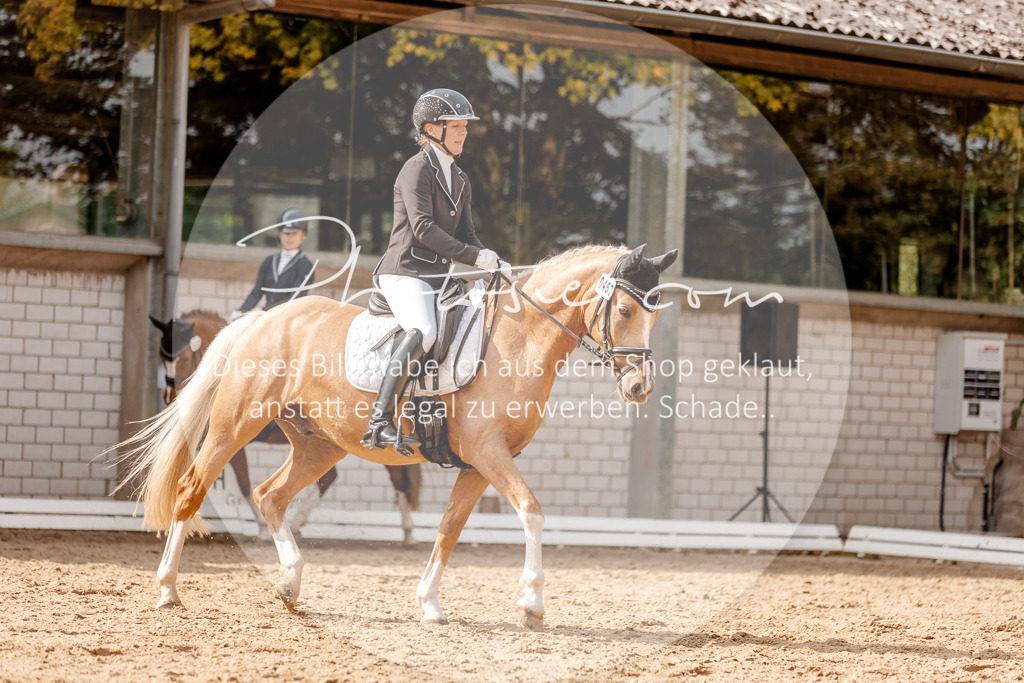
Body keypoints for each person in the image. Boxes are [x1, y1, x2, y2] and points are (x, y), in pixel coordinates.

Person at [362, 88, 507, 452]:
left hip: (436, 278)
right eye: (455, 126)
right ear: (430, 129)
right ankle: (379, 422)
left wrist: (491, 259)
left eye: (464, 127)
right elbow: (424, 228)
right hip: (405, 271)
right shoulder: (416, 169)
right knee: (424, 330)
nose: (463, 133)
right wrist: (474, 259)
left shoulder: (460, 178)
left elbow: (467, 234)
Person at [231, 209, 316, 320]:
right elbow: (256, 292)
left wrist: (264, 311)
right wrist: (241, 311)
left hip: (288, 318)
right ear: (280, 234)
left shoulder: (305, 266)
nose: (289, 237)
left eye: (294, 233)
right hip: (266, 316)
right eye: (285, 233)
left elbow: (294, 298)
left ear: (303, 234)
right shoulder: (269, 261)